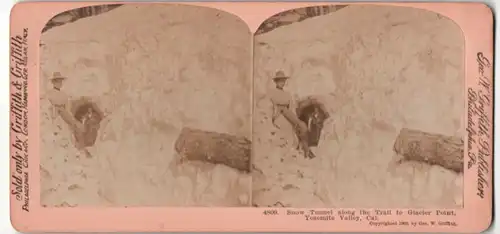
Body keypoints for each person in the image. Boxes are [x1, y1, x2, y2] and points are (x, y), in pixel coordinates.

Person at [269, 70, 315, 159]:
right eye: (279, 81)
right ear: (276, 82)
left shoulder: (287, 94)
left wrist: (294, 118)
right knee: (291, 130)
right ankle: (304, 150)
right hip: (278, 115)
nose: (281, 83)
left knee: (302, 126)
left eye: (283, 81)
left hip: (287, 114)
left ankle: (306, 149)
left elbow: (291, 108)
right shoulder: (273, 92)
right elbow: (273, 106)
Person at [46, 72, 91, 158]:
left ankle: (82, 149)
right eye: (57, 81)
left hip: (64, 116)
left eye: (60, 81)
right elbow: (53, 107)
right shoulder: (50, 94)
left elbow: (67, 110)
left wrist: (72, 120)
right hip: (55, 116)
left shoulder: (64, 95)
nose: (59, 83)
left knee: (76, 128)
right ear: (53, 82)